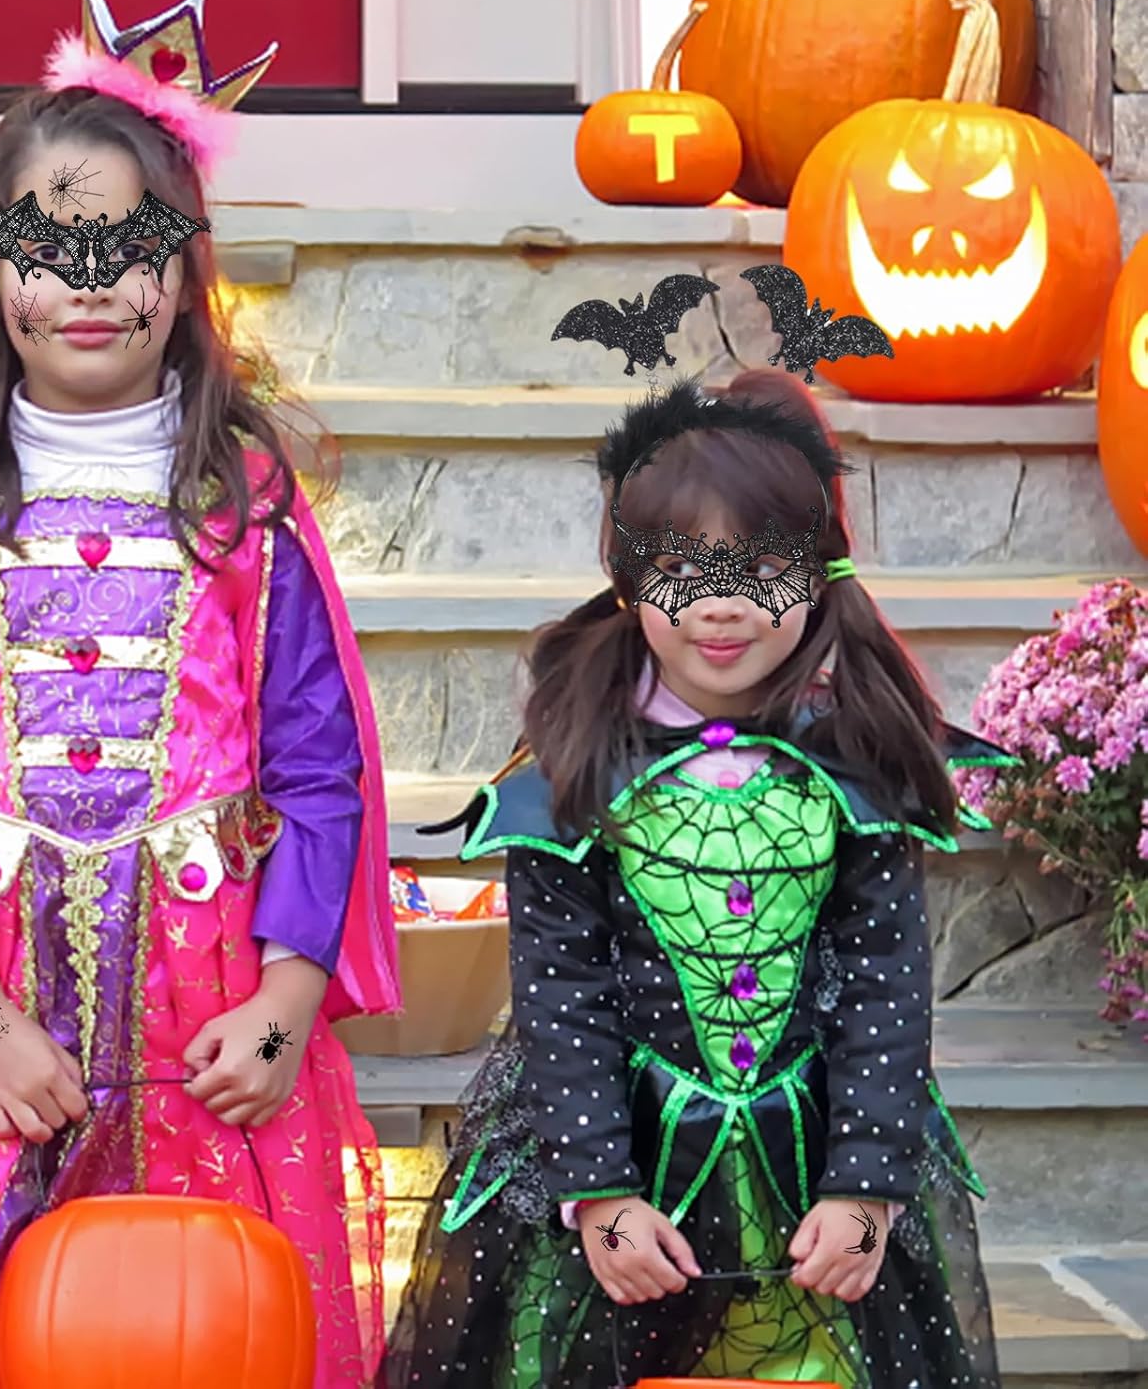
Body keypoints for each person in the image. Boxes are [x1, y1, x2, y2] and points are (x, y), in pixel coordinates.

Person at [0, 0, 399, 1389]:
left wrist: (286, 1000)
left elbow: (322, 767)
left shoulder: (246, 506)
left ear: (184, 273)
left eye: (127, 249)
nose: (86, 283)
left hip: (211, 1004)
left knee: (207, 1320)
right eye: (47, 248)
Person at [383, 371, 1015, 1388]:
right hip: (617, 1161)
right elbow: (561, 994)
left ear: (818, 573)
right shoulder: (575, 768)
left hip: (818, 1167)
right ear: (628, 581)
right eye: (679, 569)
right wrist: (598, 1192)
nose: (722, 604)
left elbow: (887, 990)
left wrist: (865, 1187)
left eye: (762, 567)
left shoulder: (854, 764)